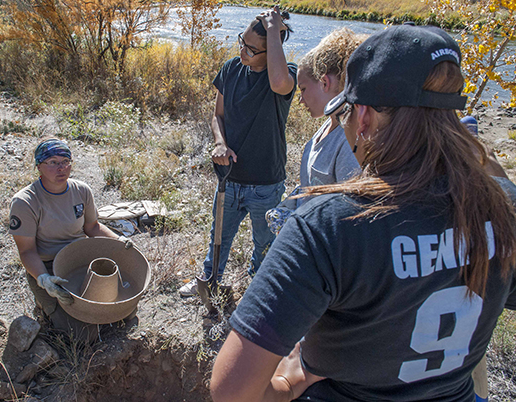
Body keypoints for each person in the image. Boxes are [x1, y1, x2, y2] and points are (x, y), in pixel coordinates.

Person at [210, 23, 516, 401]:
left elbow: (231, 391)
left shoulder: (330, 226)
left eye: (347, 115)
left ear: (365, 118)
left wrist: (287, 384)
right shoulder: (502, 209)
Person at [179, 6, 297, 296]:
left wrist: (273, 30)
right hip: (228, 178)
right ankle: (209, 281)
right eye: (241, 42)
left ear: (271, 51)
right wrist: (220, 142)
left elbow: (280, 83)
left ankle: (259, 289)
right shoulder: (232, 68)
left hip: (265, 184)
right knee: (218, 237)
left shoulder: (285, 75)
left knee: (265, 245)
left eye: (251, 48)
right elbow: (216, 115)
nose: (242, 51)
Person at [9, 138, 133, 342]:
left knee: (124, 313)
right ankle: (44, 307)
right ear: (39, 166)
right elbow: (27, 251)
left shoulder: (81, 190)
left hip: (81, 258)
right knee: (83, 335)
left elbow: (92, 227)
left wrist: (118, 240)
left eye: (65, 161)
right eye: (53, 162)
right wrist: (44, 279)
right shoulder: (25, 202)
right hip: (48, 267)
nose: (61, 168)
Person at [266, 28, 364, 235]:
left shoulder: (348, 144)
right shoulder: (327, 127)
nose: (300, 99)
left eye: (302, 89)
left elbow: (350, 219)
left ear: (324, 82)